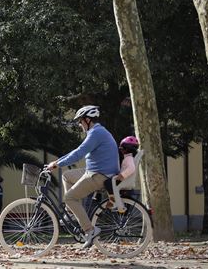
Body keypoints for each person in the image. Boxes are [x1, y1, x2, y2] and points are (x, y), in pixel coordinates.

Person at [45, 105, 119, 249]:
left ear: (88, 120)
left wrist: (57, 164)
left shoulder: (96, 134)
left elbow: (79, 153)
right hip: (94, 171)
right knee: (67, 176)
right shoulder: (97, 132)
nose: (79, 124)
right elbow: (77, 151)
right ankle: (72, 213)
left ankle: (90, 230)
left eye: (80, 121)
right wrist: (57, 162)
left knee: (69, 198)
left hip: (99, 175)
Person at [103, 136, 139, 207]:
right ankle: (114, 199)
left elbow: (131, 168)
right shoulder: (130, 158)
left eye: (122, 149)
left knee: (107, 183)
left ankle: (112, 199)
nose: (121, 151)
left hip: (123, 180)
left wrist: (122, 175)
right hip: (125, 180)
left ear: (126, 149)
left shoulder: (128, 158)